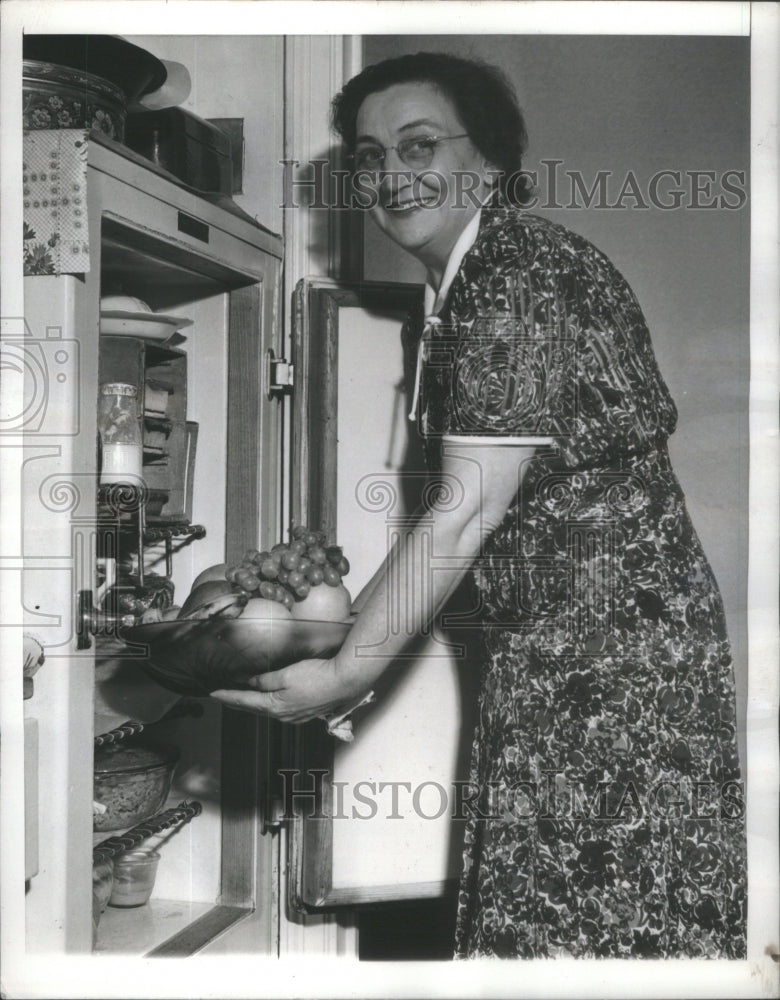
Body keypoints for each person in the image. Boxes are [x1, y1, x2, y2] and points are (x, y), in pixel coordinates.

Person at [211, 52, 747, 959]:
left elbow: (461, 512)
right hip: (587, 647)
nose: (390, 175)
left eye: (419, 144)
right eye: (369, 157)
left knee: (584, 922)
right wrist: (346, 628)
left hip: (603, 664)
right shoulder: (483, 277)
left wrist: (347, 676)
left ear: (490, 162)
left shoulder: (511, 275)